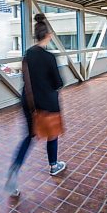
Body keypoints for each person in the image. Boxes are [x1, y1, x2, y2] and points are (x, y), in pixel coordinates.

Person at [5, 13, 66, 197]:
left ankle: (14, 171)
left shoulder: (28, 54)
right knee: (52, 133)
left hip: (29, 102)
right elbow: (58, 83)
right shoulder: (49, 57)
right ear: (48, 36)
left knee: (29, 136)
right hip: (47, 103)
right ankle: (54, 165)